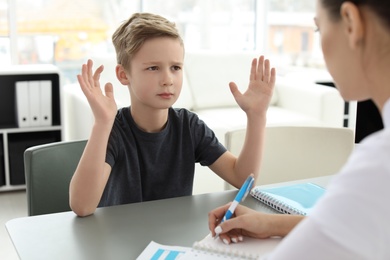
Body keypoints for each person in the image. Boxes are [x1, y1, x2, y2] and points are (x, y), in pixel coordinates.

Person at [208, 0, 390, 259]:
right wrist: (271, 224)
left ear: (351, 22)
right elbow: (351, 223)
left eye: (318, 30)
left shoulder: (379, 164)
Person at [69, 13, 276, 217]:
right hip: (121, 241)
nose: (168, 79)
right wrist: (102, 124)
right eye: (153, 68)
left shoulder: (190, 126)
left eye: (175, 67)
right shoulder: (113, 130)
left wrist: (256, 116)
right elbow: (82, 206)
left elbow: (242, 178)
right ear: (124, 75)